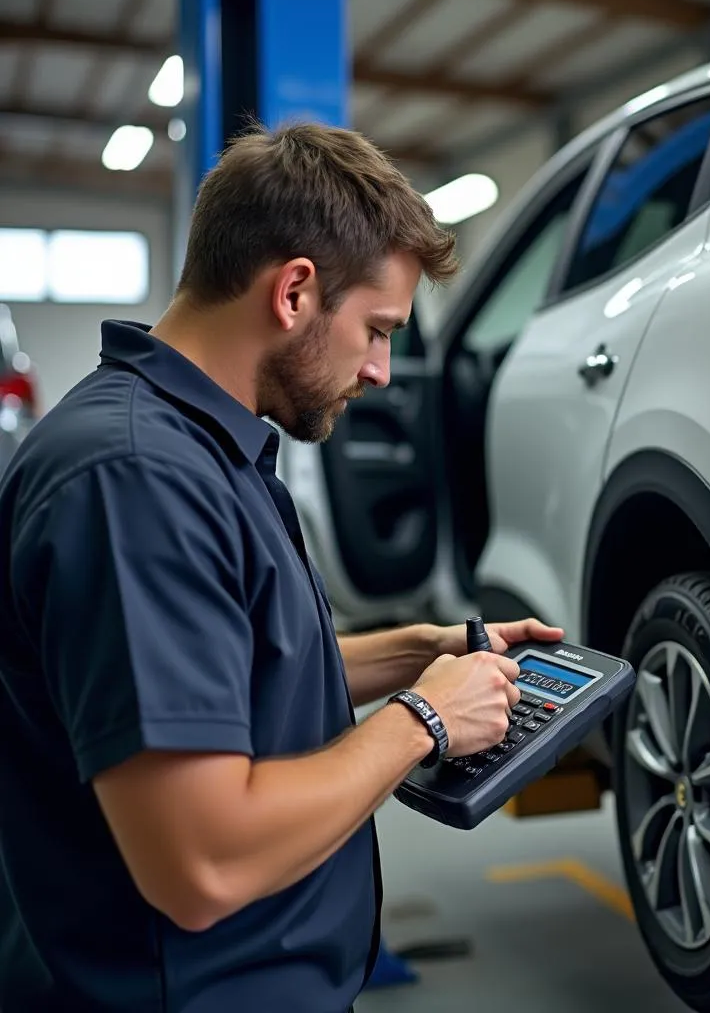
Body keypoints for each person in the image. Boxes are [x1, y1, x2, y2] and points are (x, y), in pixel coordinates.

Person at [0, 121, 563, 1012]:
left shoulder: (203, 449)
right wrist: (423, 719)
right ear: (295, 291)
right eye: (377, 330)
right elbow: (204, 861)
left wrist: (411, 652)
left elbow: (218, 679)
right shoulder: (136, 482)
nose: (381, 372)